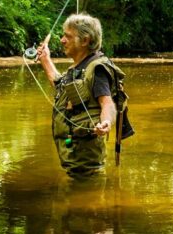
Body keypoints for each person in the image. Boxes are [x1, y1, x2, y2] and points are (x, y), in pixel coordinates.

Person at [35, 13, 126, 180]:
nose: (62, 40)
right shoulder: (78, 67)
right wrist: (45, 60)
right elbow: (61, 87)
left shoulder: (97, 69)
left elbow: (107, 103)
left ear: (85, 41)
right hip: (74, 158)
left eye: (68, 36)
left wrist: (106, 122)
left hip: (87, 165)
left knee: (86, 194)